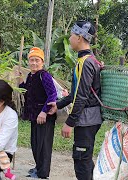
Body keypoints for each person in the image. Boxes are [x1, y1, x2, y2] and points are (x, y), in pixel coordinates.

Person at [47, 20, 102, 180]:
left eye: (71, 35)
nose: (69, 39)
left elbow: (82, 96)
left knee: (81, 159)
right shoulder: (88, 60)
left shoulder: (85, 63)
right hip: (90, 118)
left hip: (86, 119)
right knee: (84, 157)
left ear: (79, 37)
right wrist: (58, 105)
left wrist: (69, 122)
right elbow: (75, 93)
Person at [18, 47, 57, 179]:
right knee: (35, 144)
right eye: (31, 60)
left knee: (43, 146)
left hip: (44, 116)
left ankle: (43, 173)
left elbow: (52, 94)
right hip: (34, 116)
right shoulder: (30, 75)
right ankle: (38, 167)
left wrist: (44, 112)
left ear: (42, 62)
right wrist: (21, 83)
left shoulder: (44, 75)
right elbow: (27, 91)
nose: (34, 63)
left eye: (37, 60)